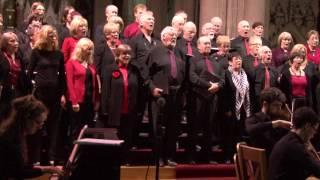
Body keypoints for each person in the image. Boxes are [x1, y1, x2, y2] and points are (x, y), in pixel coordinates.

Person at [28, 25, 66, 165]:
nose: (53, 37)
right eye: (50, 34)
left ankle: (51, 158)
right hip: (40, 95)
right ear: (44, 36)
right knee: (38, 126)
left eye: (54, 34)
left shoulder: (59, 54)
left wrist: (62, 94)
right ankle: (36, 158)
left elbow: (62, 76)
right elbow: (29, 72)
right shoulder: (36, 52)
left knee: (53, 127)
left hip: (55, 95)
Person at [148, 26, 185, 166]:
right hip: (161, 96)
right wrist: (152, 88)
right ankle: (158, 158)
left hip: (176, 95)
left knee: (173, 128)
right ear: (163, 37)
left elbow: (184, 72)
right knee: (159, 129)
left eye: (175, 35)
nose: (174, 37)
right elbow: (146, 74)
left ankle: (169, 156)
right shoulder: (154, 52)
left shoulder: (179, 52)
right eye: (171, 35)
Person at [0, 95, 63, 179]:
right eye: (38, 122)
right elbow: (20, 173)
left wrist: (48, 168)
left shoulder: (15, 133)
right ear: (27, 119)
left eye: (42, 123)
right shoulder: (11, 140)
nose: (40, 127)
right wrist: (45, 169)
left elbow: (20, 167)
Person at [100, 44, 143, 165]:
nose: (127, 56)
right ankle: (112, 161)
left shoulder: (134, 70)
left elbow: (138, 90)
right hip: (114, 111)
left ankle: (125, 159)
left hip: (129, 110)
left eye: (129, 53)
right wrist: (104, 110)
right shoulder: (109, 69)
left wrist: (138, 108)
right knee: (113, 138)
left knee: (127, 137)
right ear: (117, 55)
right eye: (124, 53)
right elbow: (105, 91)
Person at [188, 36, 224, 164]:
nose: (208, 45)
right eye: (205, 43)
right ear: (198, 46)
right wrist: (209, 85)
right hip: (198, 98)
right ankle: (191, 157)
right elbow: (192, 77)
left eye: (209, 43)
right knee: (195, 127)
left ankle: (207, 157)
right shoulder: (193, 60)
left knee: (209, 128)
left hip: (212, 98)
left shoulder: (216, 62)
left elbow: (222, 79)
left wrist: (218, 86)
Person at [269, 107, 320, 180]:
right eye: (314, 129)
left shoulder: (287, 139)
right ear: (307, 126)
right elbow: (317, 170)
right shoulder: (295, 146)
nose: (314, 134)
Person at [65, 38, 99, 141]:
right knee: (76, 129)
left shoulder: (91, 65)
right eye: (87, 48)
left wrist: (97, 100)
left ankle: (86, 155)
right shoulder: (71, 63)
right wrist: (74, 102)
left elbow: (95, 84)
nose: (89, 51)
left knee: (88, 129)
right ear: (80, 49)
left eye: (91, 49)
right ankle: (73, 155)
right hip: (77, 102)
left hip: (89, 101)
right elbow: (69, 83)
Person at [222, 51, 252, 163]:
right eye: (236, 59)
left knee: (240, 133)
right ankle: (228, 157)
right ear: (230, 62)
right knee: (229, 134)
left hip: (243, 109)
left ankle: (239, 157)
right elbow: (224, 94)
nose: (239, 61)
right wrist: (227, 109)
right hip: (231, 109)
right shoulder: (226, 74)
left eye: (240, 59)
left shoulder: (245, 74)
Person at [246, 87, 291, 156]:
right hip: (266, 162)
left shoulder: (279, 119)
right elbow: (251, 129)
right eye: (276, 105)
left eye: (280, 106)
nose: (279, 109)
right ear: (265, 104)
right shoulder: (253, 119)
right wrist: (278, 123)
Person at [0, 32, 30, 121]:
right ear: (5, 44)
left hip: (17, 93)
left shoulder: (19, 58)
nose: (16, 43)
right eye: (12, 41)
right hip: (4, 94)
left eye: (16, 41)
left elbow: (24, 77)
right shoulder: (1, 56)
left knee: (15, 120)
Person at [253, 46, 279, 110]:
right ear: (260, 56)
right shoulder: (255, 70)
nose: (269, 54)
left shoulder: (274, 71)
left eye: (270, 52)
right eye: (266, 52)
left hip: (272, 101)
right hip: (258, 102)